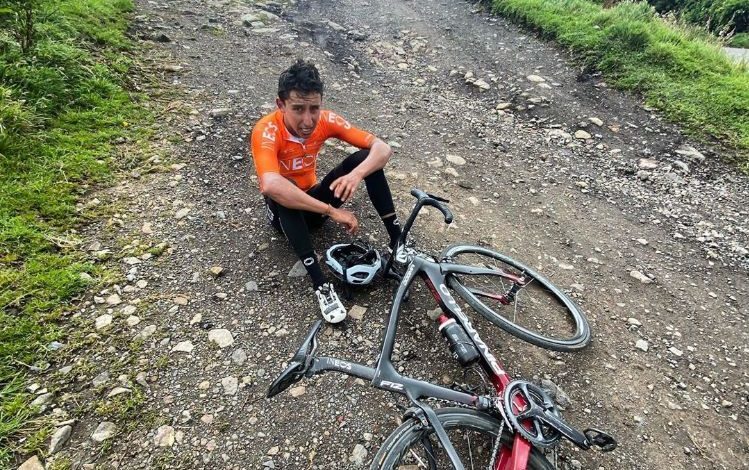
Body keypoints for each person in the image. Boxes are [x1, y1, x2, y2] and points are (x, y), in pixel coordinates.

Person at [249, 59, 403, 323]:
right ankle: (321, 285)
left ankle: (399, 241)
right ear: (280, 105)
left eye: (314, 109)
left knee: (363, 159)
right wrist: (332, 211)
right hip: (284, 215)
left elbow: (382, 149)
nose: (308, 120)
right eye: (298, 109)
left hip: (313, 201)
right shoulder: (266, 130)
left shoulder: (325, 120)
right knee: (285, 187)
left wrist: (356, 174)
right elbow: (271, 185)